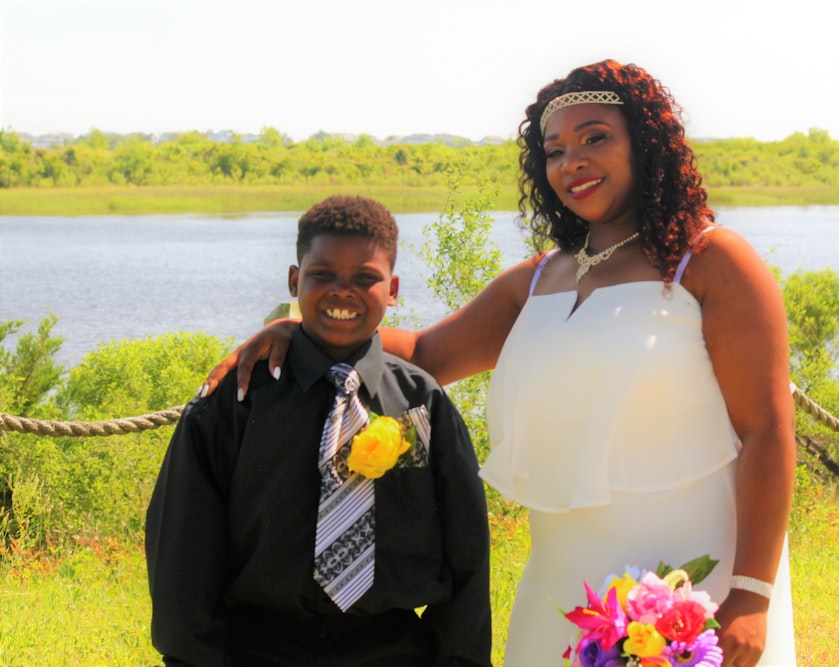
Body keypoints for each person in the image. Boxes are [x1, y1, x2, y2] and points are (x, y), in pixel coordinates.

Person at [203, 60, 797, 667]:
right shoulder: (539, 278)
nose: (573, 162)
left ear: (646, 144)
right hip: (564, 575)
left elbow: (767, 428)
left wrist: (750, 594)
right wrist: (304, 327)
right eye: (555, 149)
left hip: (690, 569)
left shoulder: (708, 261)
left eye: (595, 138)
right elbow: (428, 354)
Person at [146, 195, 492, 666]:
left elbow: (467, 551)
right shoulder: (238, 400)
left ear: (392, 289)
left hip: (390, 649)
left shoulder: (420, 402)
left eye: (365, 278)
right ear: (295, 280)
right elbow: (181, 554)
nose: (342, 291)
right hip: (258, 648)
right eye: (322, 274)